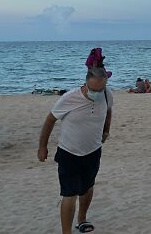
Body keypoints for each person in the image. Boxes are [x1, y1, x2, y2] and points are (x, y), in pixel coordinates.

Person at [38, 67, 113, 234]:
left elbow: (108, 111)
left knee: (87, 187)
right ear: (86, 83)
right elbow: (50, 120)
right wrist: (42, 147)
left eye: (100, 89)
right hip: (69, 153)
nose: (97, 92)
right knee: (69, 194)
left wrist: (106, 130)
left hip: (93, 151)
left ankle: (82, 219)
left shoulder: (107, 94)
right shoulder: (69, 98)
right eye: (93, 89)